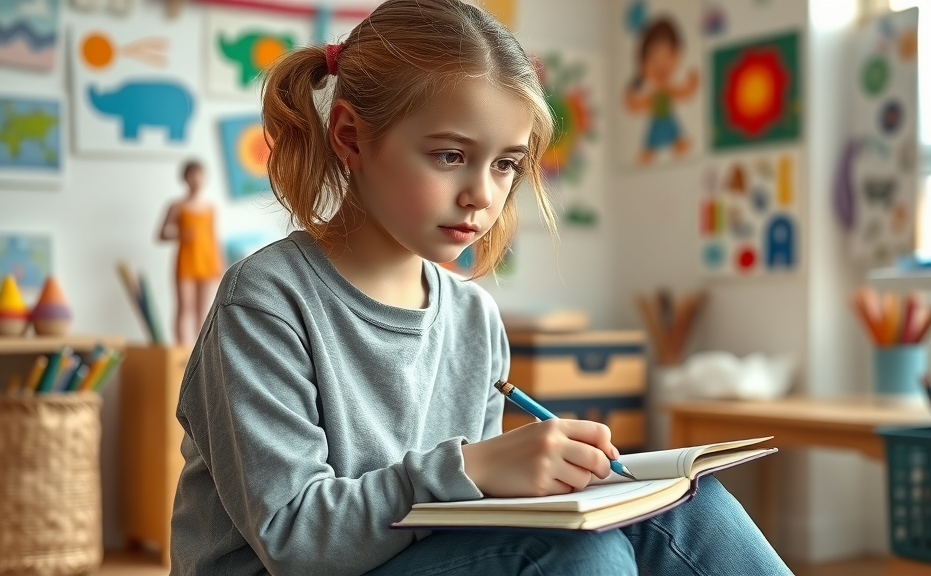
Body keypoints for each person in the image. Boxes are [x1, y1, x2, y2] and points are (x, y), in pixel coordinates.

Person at [169, 1, 792, 575]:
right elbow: (297, 543)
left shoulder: (473, 315)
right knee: (578, 555)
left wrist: (554, 484)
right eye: (448, 156)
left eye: (505, 164)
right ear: (351, 137)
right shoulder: (266, 302)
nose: (483, 194)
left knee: (689, 504)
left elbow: (469, 518)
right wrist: (475, 468)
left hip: (404, 557)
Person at [157, 160, 223, 345]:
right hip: (185, 260)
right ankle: (182, 349)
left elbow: (214, 237)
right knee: (184, 307)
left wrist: (218, 263)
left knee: (203, 310)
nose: (196, 179)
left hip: (206, 260)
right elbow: (161, 234)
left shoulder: (210, 207)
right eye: (192, 175)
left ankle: (201, 349)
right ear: (185, 178)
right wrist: (180, 235)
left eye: (199, 175)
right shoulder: (176, 206)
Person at [625, 17, 700, 165]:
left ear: (677, 56)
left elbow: (683, 93)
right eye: (654, 60)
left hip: (669, 120)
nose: (661, 66)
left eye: (667, 57)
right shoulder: (652, 94)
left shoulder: (668, 89)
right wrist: (632, 99)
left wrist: (692, 83)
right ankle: (649, 151)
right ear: (643, 64)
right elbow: (638, 104)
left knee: (674, 131)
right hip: (656, 122)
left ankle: (677, 143)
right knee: (652, 138)